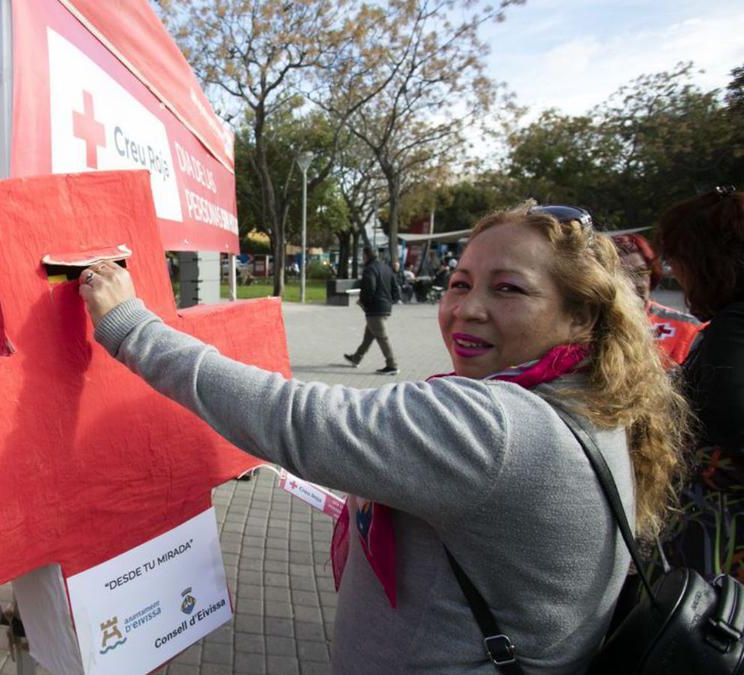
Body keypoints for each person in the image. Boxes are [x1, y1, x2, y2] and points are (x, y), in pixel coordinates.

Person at [77, 204, 688, 671]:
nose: (467, 309)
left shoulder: (496, 425)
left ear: (581, 317)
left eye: (509, 289)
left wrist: (130, 326)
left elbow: (294, 418)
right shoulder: (591, 399)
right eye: (460, 283)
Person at [655, 188, 744, 580]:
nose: (677, 273)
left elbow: (727, 414)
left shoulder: (732, 330)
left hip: (722, 540)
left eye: (678, 261)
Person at [611, 233, 703, 365]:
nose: (635, 283)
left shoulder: (688, 329)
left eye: (641, 272)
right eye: (623, 275)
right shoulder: (584, 329)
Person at [343, 246, 400, 374]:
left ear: (366, 256)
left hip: (375, 309)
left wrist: (363, 301)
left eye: (363, 256)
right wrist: (391, 301)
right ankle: (356, 358)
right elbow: (395, 288)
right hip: (385, 307)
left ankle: (392, 365)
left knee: (382, 337)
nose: (362, 259)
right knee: (368, 336)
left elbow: (369, 287)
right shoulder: (386, 268)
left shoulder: (370, 269)